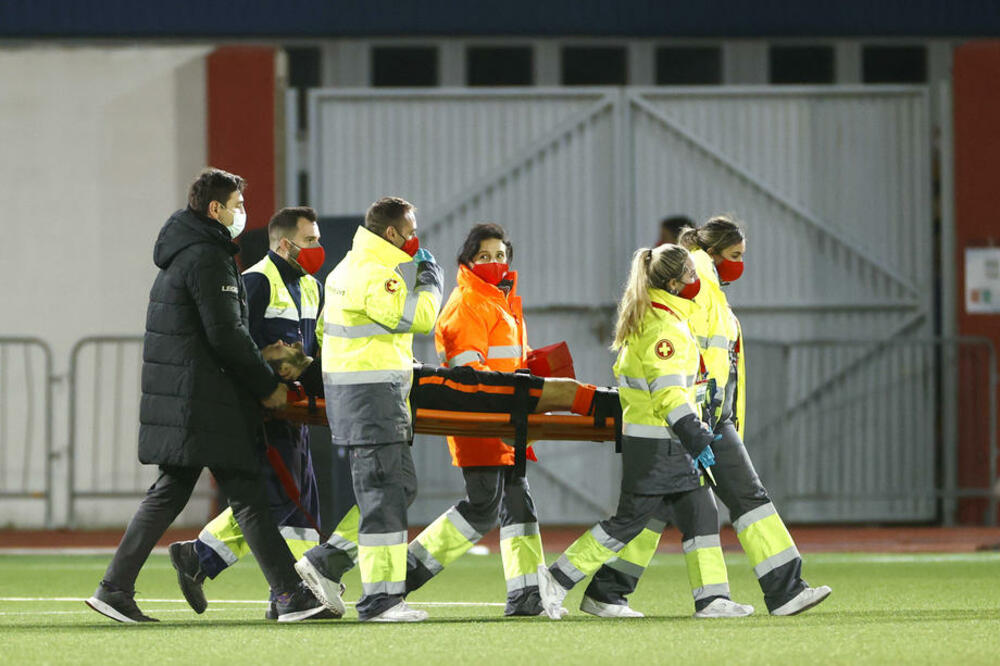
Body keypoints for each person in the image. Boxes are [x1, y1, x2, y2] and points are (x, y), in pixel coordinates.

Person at [291, 198, 619, 622]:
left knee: (423, 494)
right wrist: (430, 279)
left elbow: (329, 333)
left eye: (501, 256)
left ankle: (515, 594)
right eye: (485, 256)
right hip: (400, 398)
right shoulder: (410, 285)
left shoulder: (347, 271)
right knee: (404, 495)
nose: (415, 239)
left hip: (379, 391)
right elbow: (448, 352)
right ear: (392, 233)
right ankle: (367, 585)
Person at [85, 168, 324, 623]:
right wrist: (267, 383)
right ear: (216, 209)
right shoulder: (209, 259)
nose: (241, 215)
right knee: (247, 494)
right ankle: (290, 594)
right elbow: (226, 335)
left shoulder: (186, 254)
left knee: (176, 491)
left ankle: (115, 587)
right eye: (237, 206)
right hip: (206, 398)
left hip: (188, 395)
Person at [585, 216, 832, 617]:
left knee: (661, 511)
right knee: (748, 497)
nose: (740, 264)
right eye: (735, 255)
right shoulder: (699, 277)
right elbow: (681, 340)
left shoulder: (712, 285)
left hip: (704, 413)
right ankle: (785, 588)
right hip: (702, 416)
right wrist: (698, 417)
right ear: (714, 252)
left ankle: (613, 589)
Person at [536, 244, 755, 620]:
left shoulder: (661, 318)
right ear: (672, 283)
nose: (696, 279)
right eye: (690, 273)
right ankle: (556, 580)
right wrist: (695, 434)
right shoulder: (664, 329)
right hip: (660, 446)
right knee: (626, 524)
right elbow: (669, 393)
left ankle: (710, 599)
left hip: (662, 443)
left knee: (701, 513)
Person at [167, 206, 339, 620]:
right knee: (284, 501)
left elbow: (310, 351)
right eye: (310, 240)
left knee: (286, 501)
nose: (318, 247)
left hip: (292, 411)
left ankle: (202, 557)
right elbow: (236, 344)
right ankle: (292, 591)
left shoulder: (312, 288)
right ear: (284, 243)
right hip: (261, 408)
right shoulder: (255, 282)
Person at [404, 223, 551, 616]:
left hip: (506, 419)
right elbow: (469, 369)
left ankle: (526, 595)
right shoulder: (469, 303)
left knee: (518, 504)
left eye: (500, 255)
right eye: (484, 256)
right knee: (484, 505)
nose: (494, 262)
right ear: (467, 261)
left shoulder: (500, 302)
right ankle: (405, 573)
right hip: (482, 417)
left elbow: (509, 359)